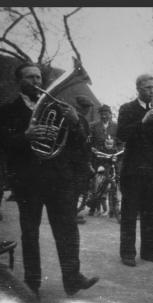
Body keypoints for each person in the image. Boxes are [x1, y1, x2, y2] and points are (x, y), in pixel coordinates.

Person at [0, 62, 99, 297]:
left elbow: (79, 142)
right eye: (30, 78)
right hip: (28, 180)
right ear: (18, 81)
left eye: (39, 78)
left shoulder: (59, 106)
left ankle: (72, 278)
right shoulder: (8, 110)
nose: (37, 82)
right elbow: (0, 143)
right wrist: (26, 136)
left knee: (68, 230)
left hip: (58, 179)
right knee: (30, 233)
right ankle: (32, 282)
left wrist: (74, 121)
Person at [116, 74, 153, 267]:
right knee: (130, 214)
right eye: (148, 88)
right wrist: (144, 121)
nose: (152, 91)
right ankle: (128, 253)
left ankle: (149, 252)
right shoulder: (127, 109)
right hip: (133, 171)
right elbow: (122, 135)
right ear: (138, 89)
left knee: (152, 214)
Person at [72, 95, 95, 225]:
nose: (87, 110)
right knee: (75, 189)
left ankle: (73, 213)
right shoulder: (79, 119)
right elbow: (84, 142)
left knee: (78, 189)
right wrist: (87, 162)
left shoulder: (81, 119)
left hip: (80, 160)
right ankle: (72, 215)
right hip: (78, 161)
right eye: (86, 107)